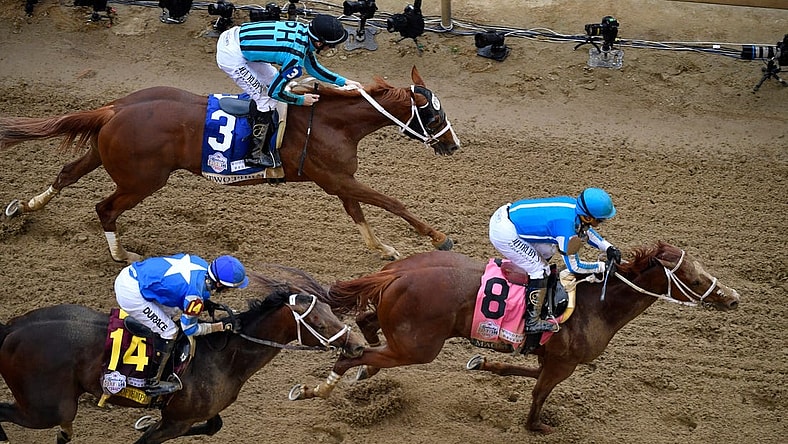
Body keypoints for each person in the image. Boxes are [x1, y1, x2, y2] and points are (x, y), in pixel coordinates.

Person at [216, 14, 364, 168]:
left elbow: (313, 68)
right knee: (266, 99)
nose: (332, 48)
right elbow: (275, 92)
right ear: (319, 43)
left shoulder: (303, 33)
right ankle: (255, 155)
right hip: (232, 56)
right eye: (331, 45)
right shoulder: (295, 61)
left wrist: (344, 82)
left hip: (236, 39)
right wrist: (300, 100)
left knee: (272, 76)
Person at [489, 187, 622, 338]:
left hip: (507, 216)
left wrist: (608, 247)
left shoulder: (575, 208)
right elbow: (575, 267)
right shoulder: (565, 228)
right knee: (540, 270)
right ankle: (531, 321)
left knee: (547, 251)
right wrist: (601, 267)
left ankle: (529, 292)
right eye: (600, 220)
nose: (602, 223)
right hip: (505, 233)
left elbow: (584, 230)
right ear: (588, 217)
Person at [114, 253, 248, 395]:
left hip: (132, 274)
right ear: (220, 284)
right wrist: (220, 326)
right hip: (130, 293)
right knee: (170, 331)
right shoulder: (194, 296)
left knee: (172, 312)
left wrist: (207, 304)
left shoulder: (200, 263)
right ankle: (152, 382)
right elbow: (190, 329)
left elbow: (183, 289)